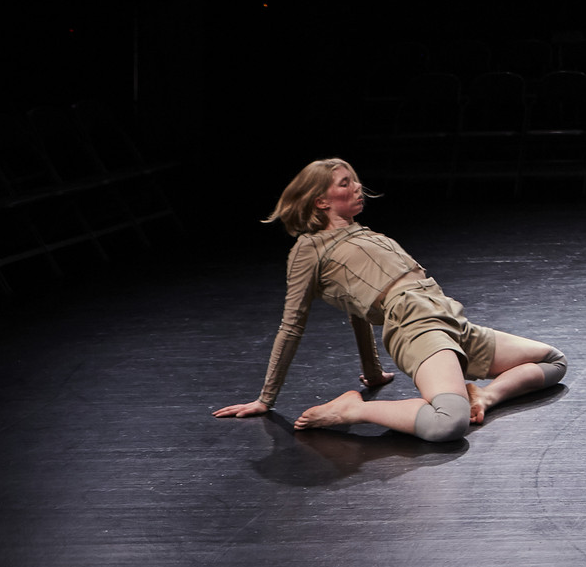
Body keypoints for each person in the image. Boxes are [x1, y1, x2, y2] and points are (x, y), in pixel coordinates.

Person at [213, 158, 567, 442]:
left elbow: (356, 309)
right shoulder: (309, 249)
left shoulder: (364, 234)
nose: (357, 187)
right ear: (321, 201)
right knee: (448, 423)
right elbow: (292, 325)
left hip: (445, 313)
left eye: (355, 180)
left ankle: (485, 396)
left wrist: (372, 373)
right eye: (345, 183)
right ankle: (353, 410)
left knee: (552, 361)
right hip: (416, 324)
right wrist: (266, 399)